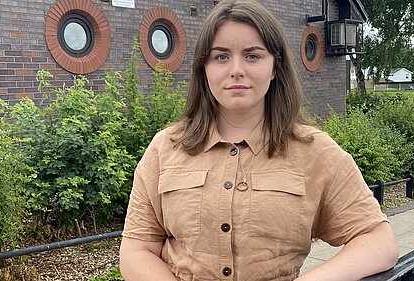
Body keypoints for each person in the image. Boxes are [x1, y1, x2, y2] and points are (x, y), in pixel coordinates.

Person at [119, 0, 399, 280]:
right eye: (221, 56)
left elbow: (378, 241)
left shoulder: (315, 152)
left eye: (253, 56)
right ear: (204, 68)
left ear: (275, 67)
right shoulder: (165, 148)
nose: (236, 70)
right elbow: (136, 249)